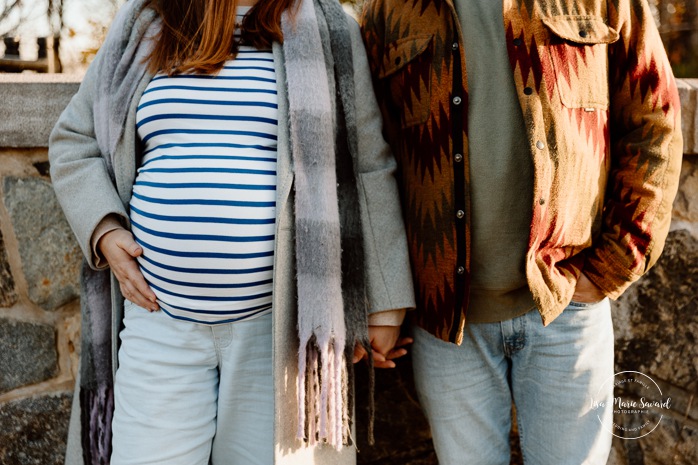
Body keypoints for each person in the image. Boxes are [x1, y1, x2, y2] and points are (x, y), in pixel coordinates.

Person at [49, 0, 415, 464]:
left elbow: (368, 164)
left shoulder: (327, 28)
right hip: (160, 323)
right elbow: (74, 140)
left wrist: (386, 307)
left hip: (280, 332)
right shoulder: (147, 21)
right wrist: (104, 230)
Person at [360, 0, 682, 463]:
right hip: (448, 324)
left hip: (566, 306)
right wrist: (385, 297)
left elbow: (655, 119)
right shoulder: (388, 11)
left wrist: (615, 262)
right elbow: (373, 159)